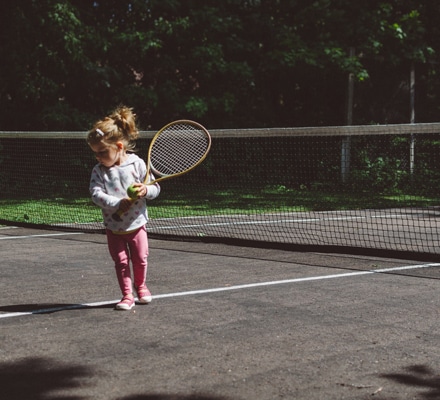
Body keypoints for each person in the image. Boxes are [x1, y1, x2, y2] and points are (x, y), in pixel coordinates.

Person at [87, 106, 160, 311]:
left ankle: (141, 286)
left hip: (137, 225)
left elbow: (155, 188)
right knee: (121, 262)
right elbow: (95, 194)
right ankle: (127, 295)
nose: (98, 157)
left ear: (119, 146)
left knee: (140, 259)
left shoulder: (136, 164)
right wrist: (117, 203)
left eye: (102, 152)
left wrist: (145, 190)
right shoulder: (99, 171)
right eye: (95, 153)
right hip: (114, 228)